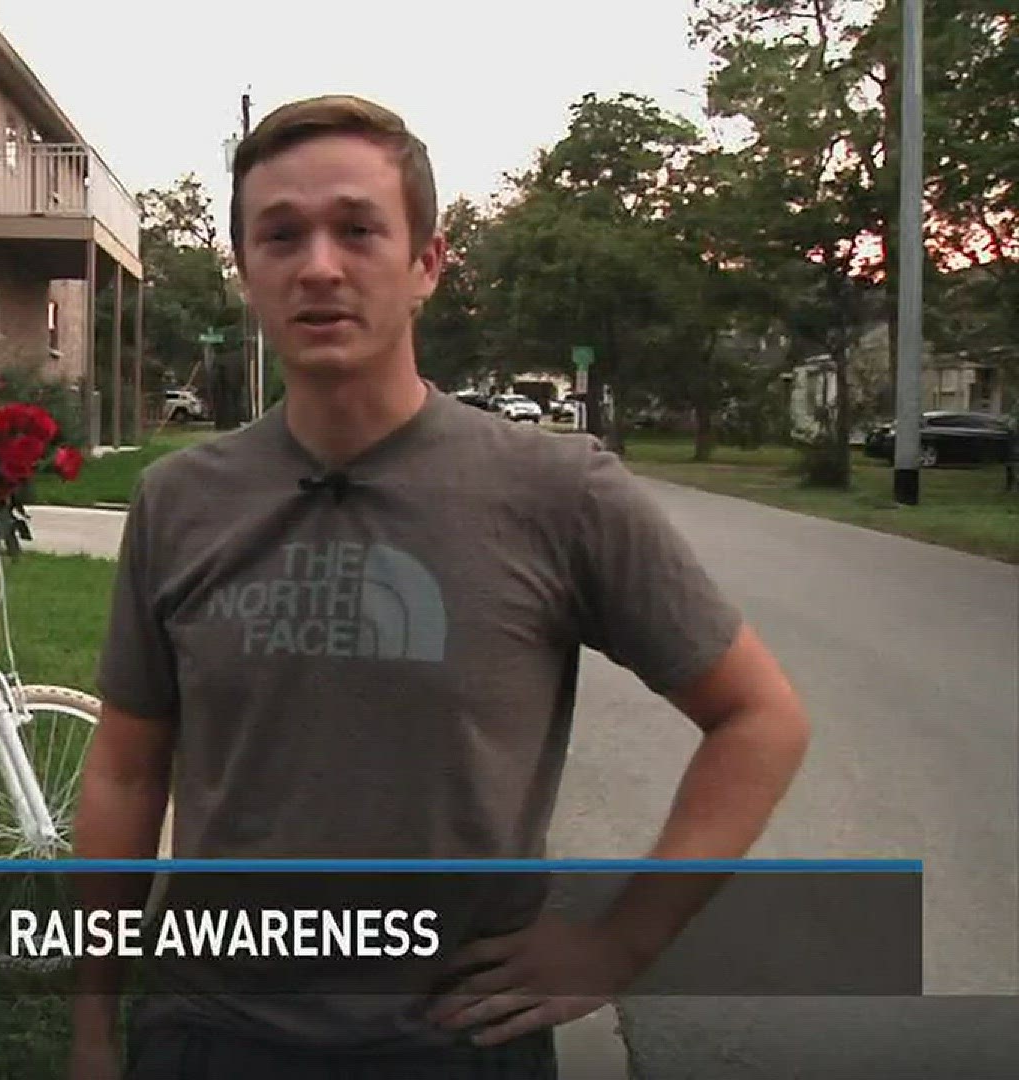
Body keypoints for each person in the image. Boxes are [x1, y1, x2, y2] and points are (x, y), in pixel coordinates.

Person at [66, 95, 811, 1079]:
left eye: (359, 229)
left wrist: (620, 944)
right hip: (210, 1035)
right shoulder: (178, 502)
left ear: (427, 265)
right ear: (246, 272)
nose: (320, 265)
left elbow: (759, 718)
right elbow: (125, 771)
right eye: (281, 236)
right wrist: (91, 1033)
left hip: (453, 1044)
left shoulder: (556, 491)